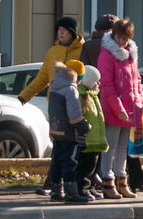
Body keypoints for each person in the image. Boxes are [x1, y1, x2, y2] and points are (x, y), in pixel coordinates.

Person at [18, 16, 84, 197]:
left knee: (71, 150)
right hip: (56, 107)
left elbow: (88, 77)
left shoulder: (81, 51)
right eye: (59, 30)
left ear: (73, 33)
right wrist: (25, 95)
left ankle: (72, 185)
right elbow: (42, 77)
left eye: (65, 30)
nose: (61, 34)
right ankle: (57, 186)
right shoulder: (53, 51)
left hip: (76, 105)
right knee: (60, 147)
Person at [96, 17, 143, 200]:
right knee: (110, 146)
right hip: (114, 108)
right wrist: (118, 108)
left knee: (124, 147)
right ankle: (107, 182)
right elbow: (107, 86)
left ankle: (121, 181)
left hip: (130, 107)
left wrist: (138, 100)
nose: (122, 41)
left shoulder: (131, 55)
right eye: (119, 37)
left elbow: (137, 80)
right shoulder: (107, 55)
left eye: (125, 38)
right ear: (114, 35)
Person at [48, 60, 92, 203]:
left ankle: (55, 191)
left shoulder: (55, 86)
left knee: (56, 161)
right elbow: (74, 116)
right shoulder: (71, 89)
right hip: (68, 133)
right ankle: (71, 193)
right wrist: (84, 126)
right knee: (69, 162)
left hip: (56, 130)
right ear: (78, 77)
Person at [75, 65, 106, 201]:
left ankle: (91, 187)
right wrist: (87, 128)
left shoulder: (93, 95)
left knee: (93, 167)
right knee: (85, 167)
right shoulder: (82, 97)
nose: (99, 83)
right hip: (88, 139)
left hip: (96, 139)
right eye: (96, 81)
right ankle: (83, 189)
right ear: (88, 80)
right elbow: (83, 116)